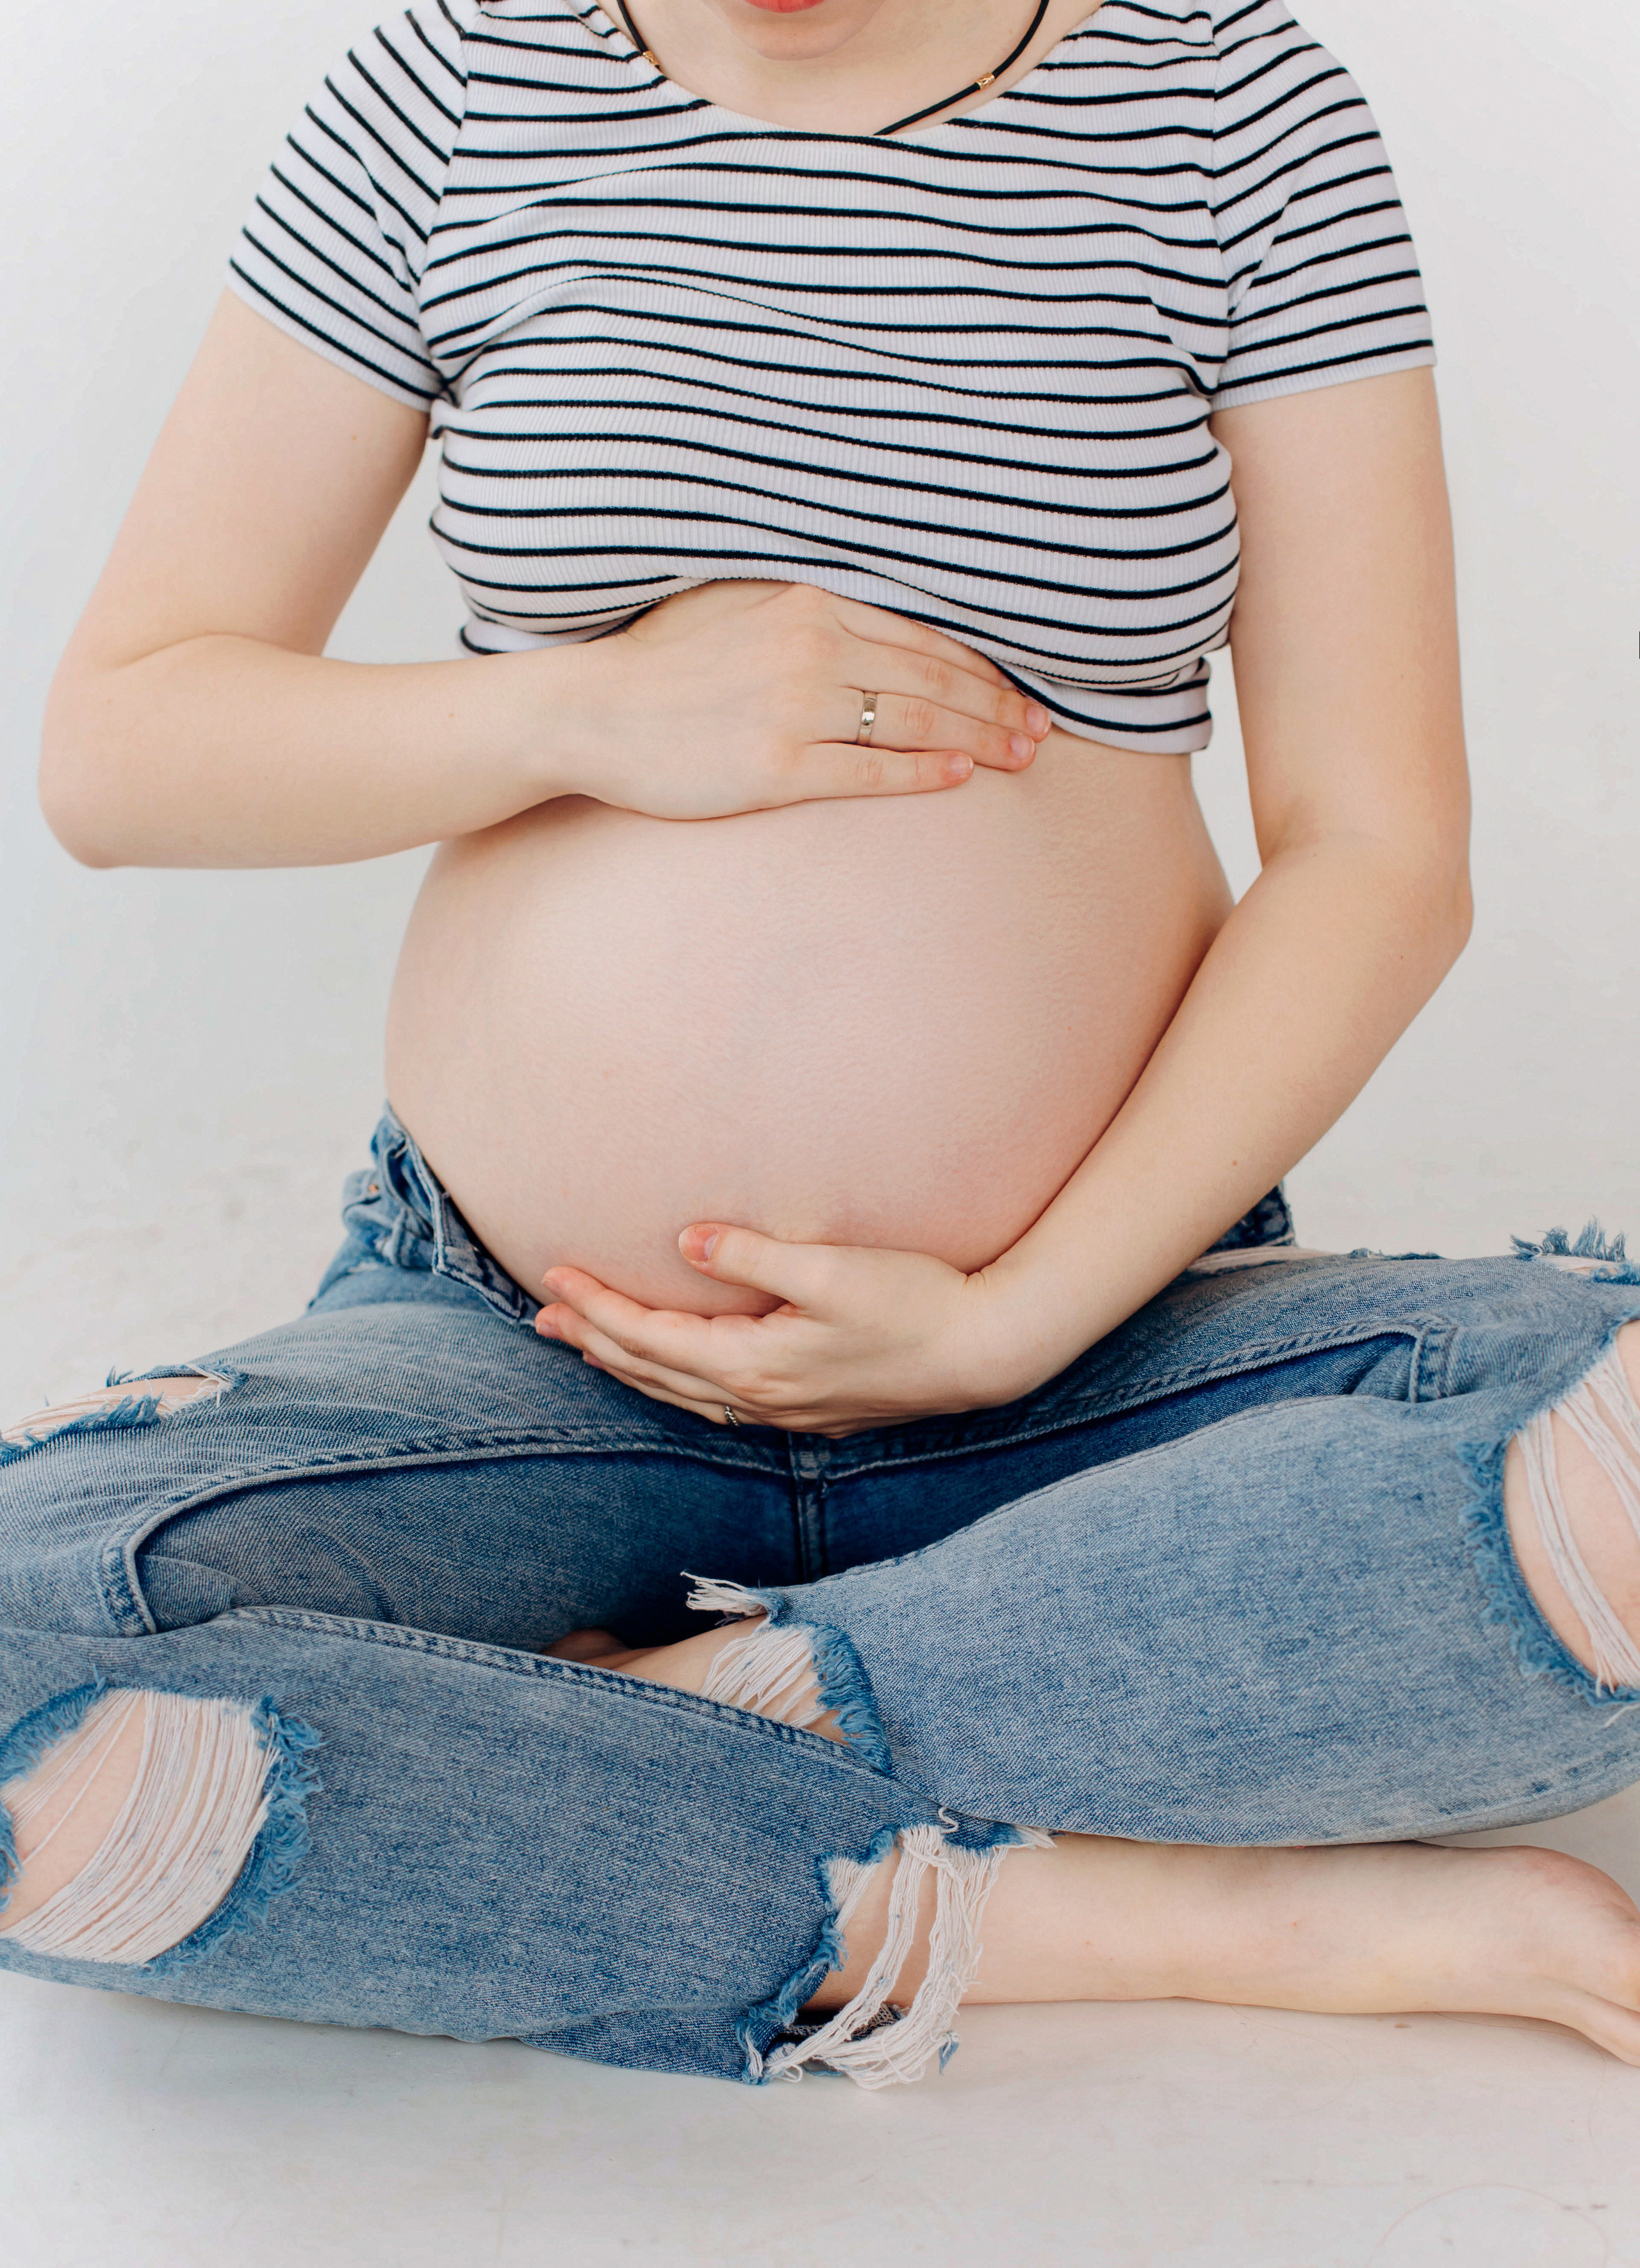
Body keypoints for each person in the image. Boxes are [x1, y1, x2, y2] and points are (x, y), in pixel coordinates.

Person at [4, 0, 1640, 2090]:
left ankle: (597, 1742)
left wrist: (1012, 1320)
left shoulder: (1237, 107)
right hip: (524, 1352)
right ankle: (1042, 1902)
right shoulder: (452, 87)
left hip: (1102, 1354)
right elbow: (121, 751)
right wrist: (583, 714)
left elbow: (1381, 849)